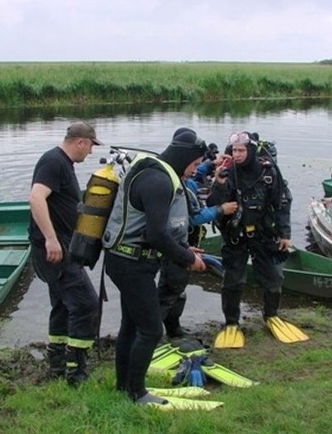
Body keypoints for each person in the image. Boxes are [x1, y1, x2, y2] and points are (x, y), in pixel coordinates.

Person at [102, 127, 208, 406]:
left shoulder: (150, 170)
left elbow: (155, 232)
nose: (193, 172)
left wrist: (184, 248)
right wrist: (188, 259)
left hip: (123, 258)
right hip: (131, 264)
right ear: (185, 157)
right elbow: (156, 235)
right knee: (151, 329)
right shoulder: (158, 181)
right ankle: (137, 393)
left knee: (130, 324)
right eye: (195, 165)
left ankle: (124, 387)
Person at [28, 121, 103, 385]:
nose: (91, 153)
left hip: (59, 247)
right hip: (54, 248)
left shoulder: (62, 163)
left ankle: (57, 365)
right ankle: (77, 371)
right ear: (81, 142)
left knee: (62, 305)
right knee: (86, 304)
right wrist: (51, 239)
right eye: (91, 146)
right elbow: (36, 198)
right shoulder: (54, 162)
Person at [206, 130, 292, 345]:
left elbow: (282, 203)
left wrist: (285, 233)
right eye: (234, 150)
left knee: (273, 277)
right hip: (235, 236)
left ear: (251, 150)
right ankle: (231, 323)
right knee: (233, 281)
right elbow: (212, 204)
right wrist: (218, 183)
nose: (237, 154)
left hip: (264, 234)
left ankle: (271, 315)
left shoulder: (269, 173)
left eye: (242, 150)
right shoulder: (227, 172)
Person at [158, 155, 238, 338]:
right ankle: (155, 335)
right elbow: (193, 217)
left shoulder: (186, 181)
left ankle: (172, 328)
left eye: (197, 164)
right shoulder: (176, 187)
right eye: (193, 164)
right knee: (170, 291)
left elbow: (195, 175)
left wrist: (210, 164)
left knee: (179, 290)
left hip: (186, 245)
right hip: (177, 248)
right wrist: (220, 210)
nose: (195, 170)